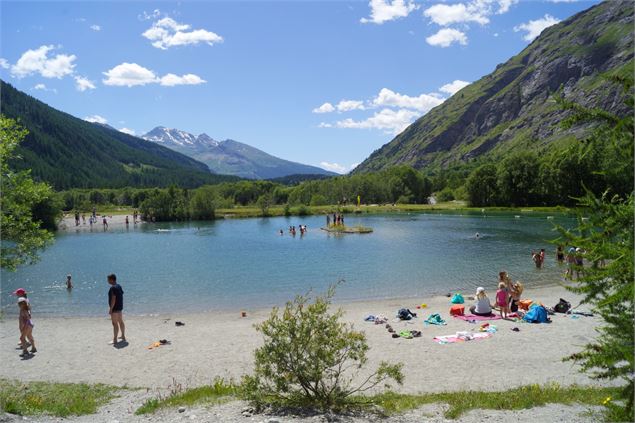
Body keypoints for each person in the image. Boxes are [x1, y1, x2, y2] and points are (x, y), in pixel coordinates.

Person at [107, 274, 126, 345]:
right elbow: (121, 295)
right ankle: (123, 336)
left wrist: (111, 309)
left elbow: (113, 299)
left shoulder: (112, 288)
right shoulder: (119, 286)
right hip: (120, 307)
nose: (107, 281)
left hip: (115, 308)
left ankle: (115, 340)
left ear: (111, 279)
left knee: (115, 323)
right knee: (120, 321)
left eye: (108, 279)